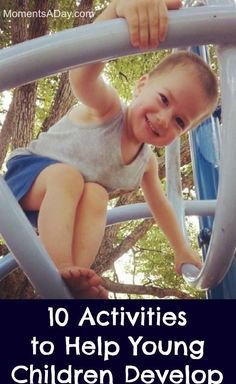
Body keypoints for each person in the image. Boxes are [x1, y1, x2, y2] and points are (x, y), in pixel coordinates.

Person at [4, 0, 218, 299]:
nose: (163, 118)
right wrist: (115, 11)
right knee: (69, 177)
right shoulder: (108, 109)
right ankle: (60, 265)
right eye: (164, 99)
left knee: (97, 194)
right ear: (141, 85)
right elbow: (81, 75)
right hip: (25, 182)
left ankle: (73, 278)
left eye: (179, 121)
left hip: (55, 216)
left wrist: (181, 248)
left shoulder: (145, 162)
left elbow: (161, 207)